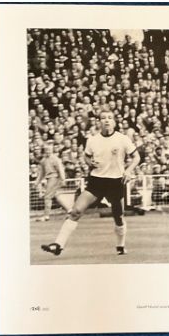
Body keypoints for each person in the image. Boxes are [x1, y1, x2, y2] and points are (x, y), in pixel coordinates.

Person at [41, 109, 140, 256]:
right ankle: (58, 245)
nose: (106, 120)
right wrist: (90, 162)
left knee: (118, 216)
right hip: (96, 182)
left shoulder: (122, 139)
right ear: (99, 122)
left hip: (115, 182)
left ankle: (120, 245)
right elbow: (86, 157)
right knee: (75, 211)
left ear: (114, 121)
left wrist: (128, 171)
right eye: (103, 118)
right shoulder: (92, 140)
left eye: (110, 118)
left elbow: (136, 157)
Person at [34, 144, 72, 221]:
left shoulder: (55, 159)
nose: (47, 151)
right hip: (49, 178)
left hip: (54, 178)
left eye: (49, 150)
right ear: (44, 150)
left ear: (52, 150)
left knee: (47, 196)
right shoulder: (43, 161)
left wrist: (63, 179)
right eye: (46, 150)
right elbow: (42, 173)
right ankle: (70, 210)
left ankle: (46, 216)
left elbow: (60, 170)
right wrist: (37, 182)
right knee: (55, 196)